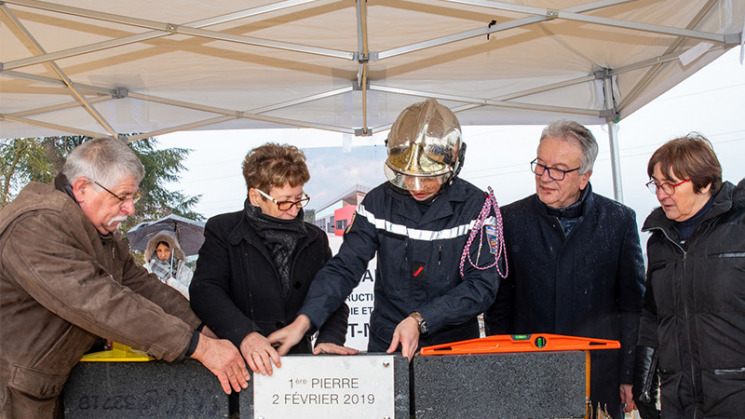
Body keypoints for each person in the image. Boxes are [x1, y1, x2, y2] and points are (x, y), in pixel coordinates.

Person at [0, 138, 249, 418]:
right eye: (122, 197)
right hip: (10, 393)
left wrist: (205, 330)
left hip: (39, 386)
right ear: (82, 188)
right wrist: (198, 347)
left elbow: (142, 286)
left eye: (133, 198)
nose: (130, 209)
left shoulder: (96, 231)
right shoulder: (35, 227)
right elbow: (100, 303)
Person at [268, 98, 505, 361]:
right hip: (388, 340)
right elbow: (345, 267)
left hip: (452, 345)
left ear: (455, 162)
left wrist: (421, 319)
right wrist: (305, 321)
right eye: (407, 175)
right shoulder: (378, 203)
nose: (416, 186)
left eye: (428, 177)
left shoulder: (478, 208)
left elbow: (482, 286)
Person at [483, 120, 646, 419]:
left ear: (584, 177)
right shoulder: (510, 221)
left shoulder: (618, 221)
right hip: (528, 375)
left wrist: (628, 374)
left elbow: (632, 307)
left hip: (597, 377)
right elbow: (498, 308)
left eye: (558, 169)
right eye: (540, 165)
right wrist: (500, 369)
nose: (545, 177)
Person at [190, 143, 356, 377]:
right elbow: (205, 291)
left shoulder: (315, 238)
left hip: (300, 366)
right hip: (240, 363)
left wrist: (329, 339)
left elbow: (331, 298)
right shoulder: (223, 230)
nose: (294, 210)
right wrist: (245, 334)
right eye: (284, 201)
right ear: (256, 196)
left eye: (299, 199)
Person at [634, 133, 745, 418]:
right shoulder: (659, 241)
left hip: (735, 398)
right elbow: (652, 316)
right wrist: (644, 384)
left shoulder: (740, 229)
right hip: (679, 401)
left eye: (670, 184)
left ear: (704, 183)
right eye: (656, 185)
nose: (661, 194)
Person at [144, 231, 193, 298]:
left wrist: (173, 283)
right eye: (159, 250)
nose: (163, 255)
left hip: (180, 307)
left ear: (174, 250)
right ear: (154, 251)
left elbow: (192, 296)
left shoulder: (186, 272)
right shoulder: (147, 270)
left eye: (167, 250)